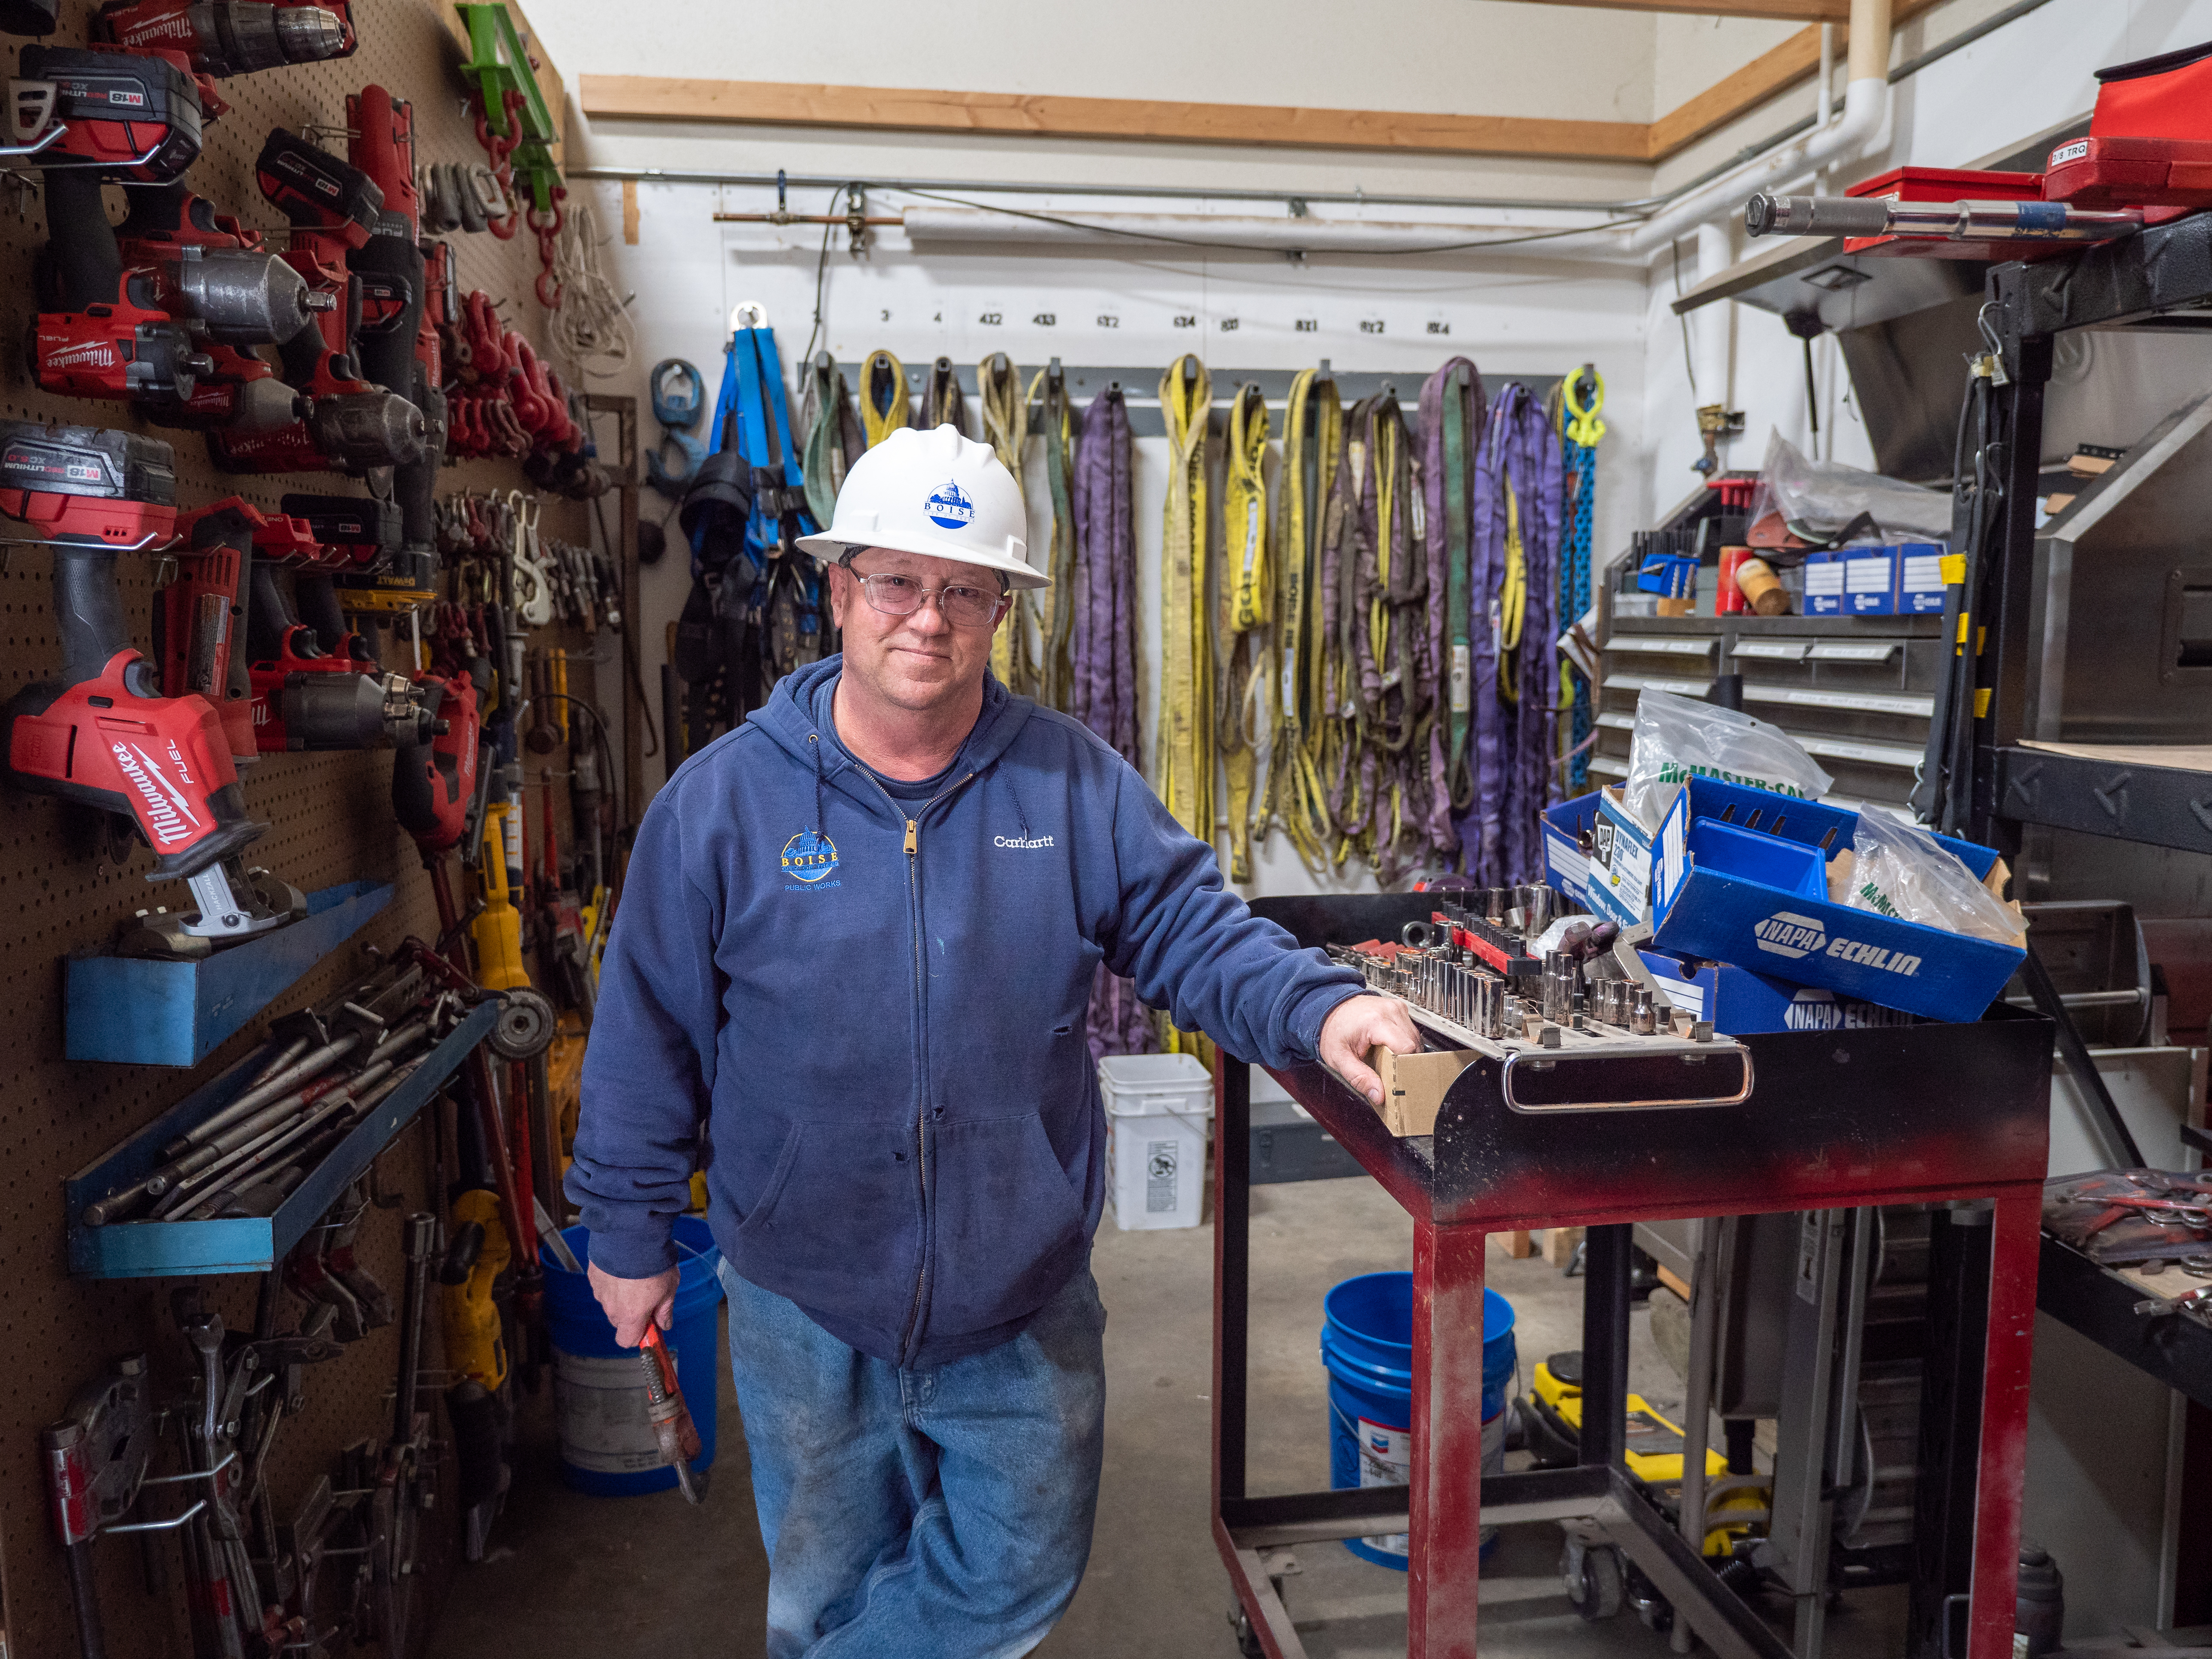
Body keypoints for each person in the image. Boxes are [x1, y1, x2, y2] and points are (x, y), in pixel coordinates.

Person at [569, 423, 1419, 1658]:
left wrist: (1321, 1004)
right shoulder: (722, 803)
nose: (930, 616)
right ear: (840, 588)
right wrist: (628, 1228)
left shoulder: (1070, 786)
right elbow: (646, 1033)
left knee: (1014, 1578)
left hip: (1019, 1292)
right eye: (900, 581)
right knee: (822, 1594)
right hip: (806, 1294)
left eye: (966, 590)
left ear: (1003, 612)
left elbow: (1192, 926)